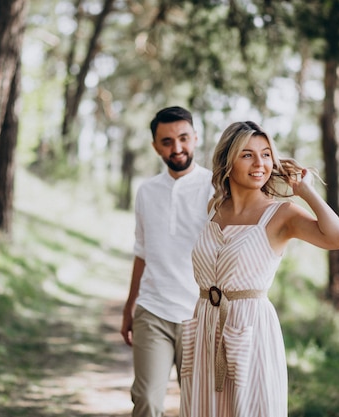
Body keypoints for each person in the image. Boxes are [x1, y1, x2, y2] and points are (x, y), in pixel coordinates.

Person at [179, 121, 339, 417]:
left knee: (249, 407)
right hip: (206, 324)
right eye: (247, 155)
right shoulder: (212, 208)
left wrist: (305, 191)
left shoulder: (281, 214)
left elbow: (338, 238)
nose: (260, 163)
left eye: (266, 154)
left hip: (251, 328)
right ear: (227, 161)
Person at [120, 106, 214, 417]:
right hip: (154, 310)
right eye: (167, 141)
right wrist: (130, 304)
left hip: (198, 316)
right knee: (146, 400)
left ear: (196, 138)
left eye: (183, 138)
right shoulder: (146, 191)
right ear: (155, 146)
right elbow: (142, 250)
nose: (177, 148)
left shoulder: (216, 188)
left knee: (197, 406)